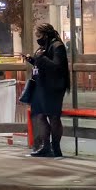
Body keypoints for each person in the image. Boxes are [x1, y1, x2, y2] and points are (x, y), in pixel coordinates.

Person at [27, 22, 70, 158]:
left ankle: (55, 147)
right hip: (43, 86)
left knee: (53, 116)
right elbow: (44, 64)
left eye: (39, 35)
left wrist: (41, 58)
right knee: (40, 115)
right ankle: (46, 147)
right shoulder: (45, 46)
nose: (37, 38)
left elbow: (56, 67)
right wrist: (33, 60)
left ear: (45, 34)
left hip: (54, 87)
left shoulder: (58, 46)